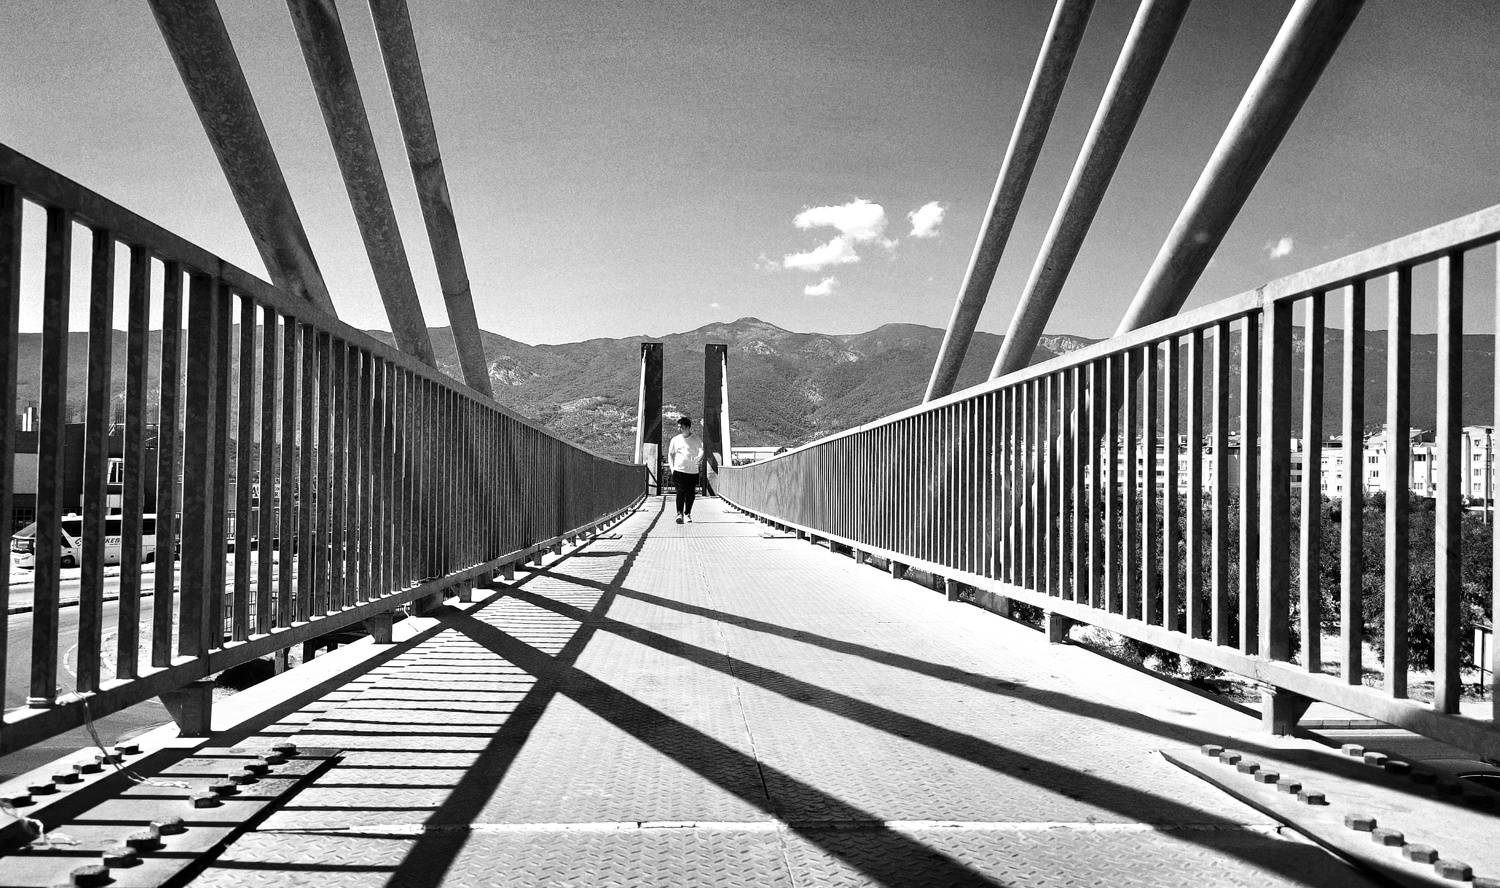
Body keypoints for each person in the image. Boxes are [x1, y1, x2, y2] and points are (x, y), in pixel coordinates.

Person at [667, 415, 704, 523]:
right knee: (680, 492)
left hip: (692, 471)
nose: (679, 429)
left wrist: (698, 459)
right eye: (678, 427)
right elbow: (670, 454)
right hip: (679, 470)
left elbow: (702, 451)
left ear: (688, 427)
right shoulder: (675, 439)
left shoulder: (696, 439)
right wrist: (672, 468)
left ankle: (687, 513)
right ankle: (679, 514)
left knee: (690, 493)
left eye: (681, 427)